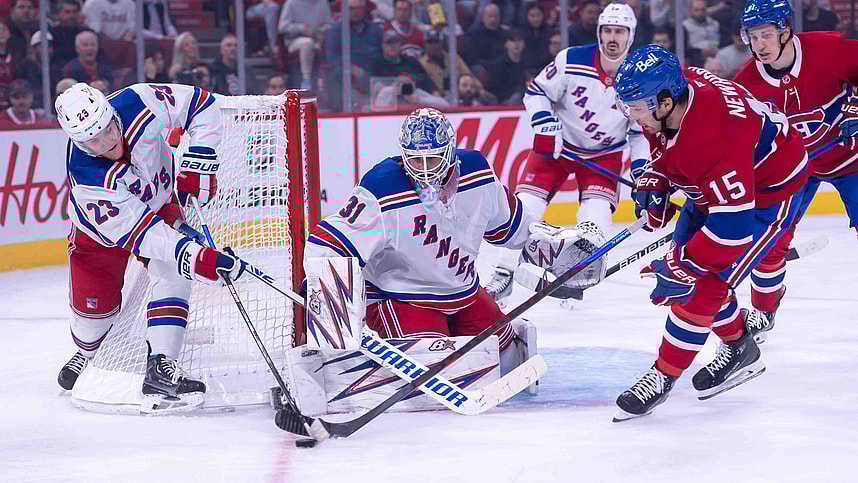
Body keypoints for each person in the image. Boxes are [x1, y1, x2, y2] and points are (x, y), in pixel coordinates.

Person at [303, 108, 599, 377]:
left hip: (464, 294)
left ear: (449, 152)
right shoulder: (382, 187)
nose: (424, 169)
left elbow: (513, 226)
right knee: (433, 374)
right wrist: (321, 293)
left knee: (505, 361)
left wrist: (558, 250)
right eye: (415, 160)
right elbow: (329, 243)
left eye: (431, 159)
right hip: (404, 298)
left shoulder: (478, 172)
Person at [612, 45, 809, 421]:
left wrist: (683, 263)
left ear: (666, 103)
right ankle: (739, 347)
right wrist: (658, 177)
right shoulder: (676, 88)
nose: (631, 116)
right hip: (726, 182)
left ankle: (664, 374)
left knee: (701, 283)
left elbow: (731, 229)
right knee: (692, 273)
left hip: (770, 191)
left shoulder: (713, 138)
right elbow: (672, 146)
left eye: (636, 107)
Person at [54, 82, 246, 411]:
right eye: (93, 141)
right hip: (100, 237)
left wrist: (200, 162)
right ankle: (86, 351)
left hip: (159, 204)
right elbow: (146, 235)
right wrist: (197, 256)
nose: (107, 142)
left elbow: (202, 104)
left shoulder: (138, 99)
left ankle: (161, 365)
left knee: (173, 269)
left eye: (108, 129)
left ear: (113, 114)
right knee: (94, 324)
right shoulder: (88, 178)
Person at [484, 4, 649, 310]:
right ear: (599, 32)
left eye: (620, 32)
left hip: (604, 156)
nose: (612, 38)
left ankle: (571, 279)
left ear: (631, 35)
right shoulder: (571, 59)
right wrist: (546, 124)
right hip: (558, 148)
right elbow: (536, 92)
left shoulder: (639, 75)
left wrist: (642, 172)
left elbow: (640, 133)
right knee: (525, 208)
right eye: (607, 31)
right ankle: (504, 273)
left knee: (594, 223)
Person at [733, 0, 858, 343]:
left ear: (785, 31)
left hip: (853, 160)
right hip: (797, 170)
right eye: (753, 37)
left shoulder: (827, 50)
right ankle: (763, 312)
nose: (759, 45)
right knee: (768, 240)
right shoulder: (746, 86)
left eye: (766, 35)